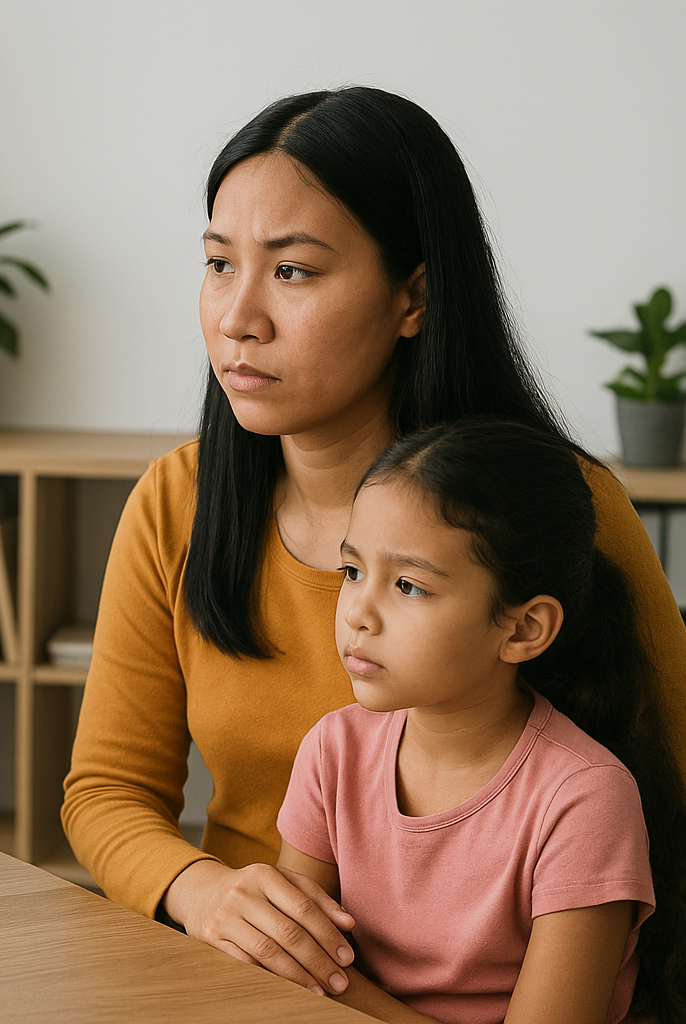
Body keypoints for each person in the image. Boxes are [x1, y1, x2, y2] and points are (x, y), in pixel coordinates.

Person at [60, 85, 686, 999]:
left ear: (414, 296)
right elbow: (106, 791)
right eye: (219, 263)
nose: (237, 317)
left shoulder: (559, 509)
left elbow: (669, 782)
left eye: (293, 271)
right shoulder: (177, 501)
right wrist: (205, 892)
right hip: (264, 979)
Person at [276, 418, 684, 1024]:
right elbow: (283, 965)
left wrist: (336, 992)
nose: (358, 612)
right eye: (353, 571)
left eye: (408, 585)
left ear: (523, 629)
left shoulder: (584, 800)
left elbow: (308, 977)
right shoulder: (332, 751)